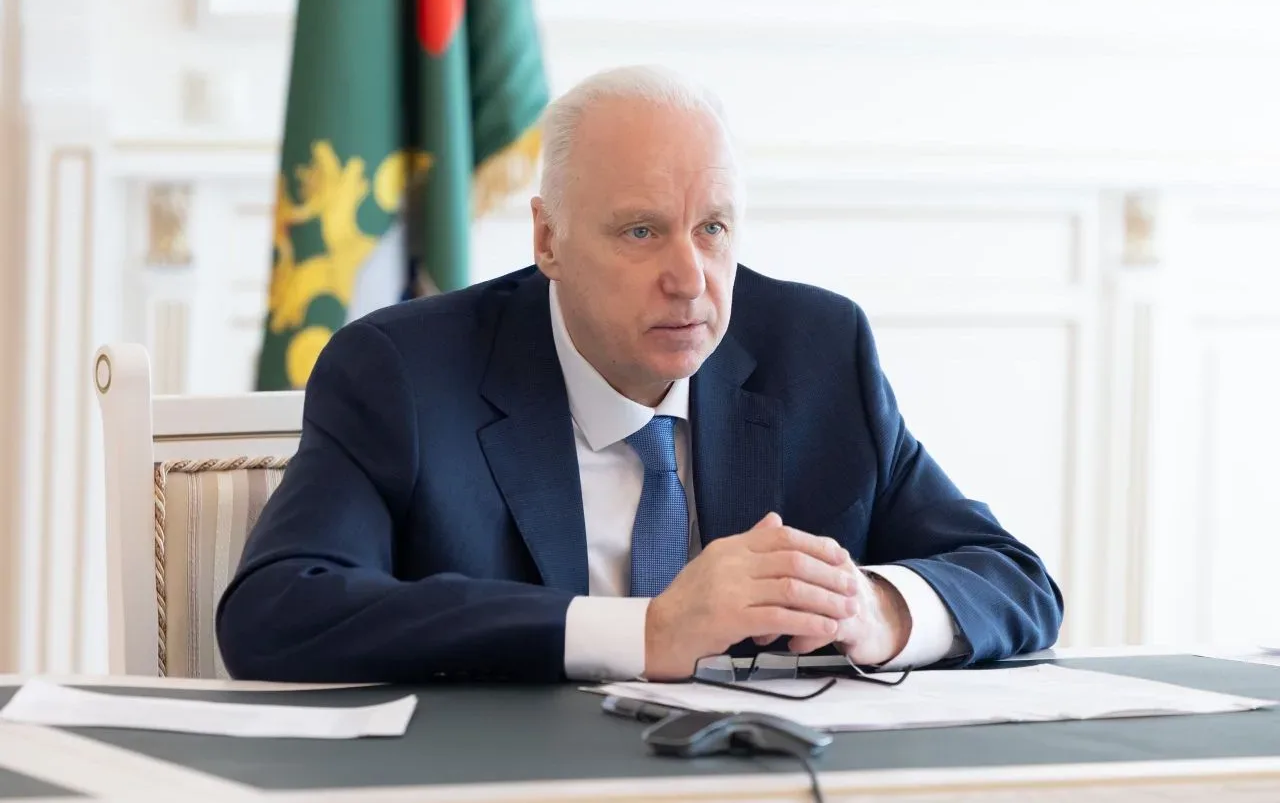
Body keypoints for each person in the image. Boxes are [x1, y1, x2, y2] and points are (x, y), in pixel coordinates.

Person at [216, 65, 1063, 684]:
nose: (690, 279)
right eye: (641, 232)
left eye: (713, 229)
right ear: (548, 239)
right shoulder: (403, 374)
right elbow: (280, 609)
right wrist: (644, 632)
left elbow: (1014, 579)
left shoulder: (817, 352)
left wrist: (879, 607)